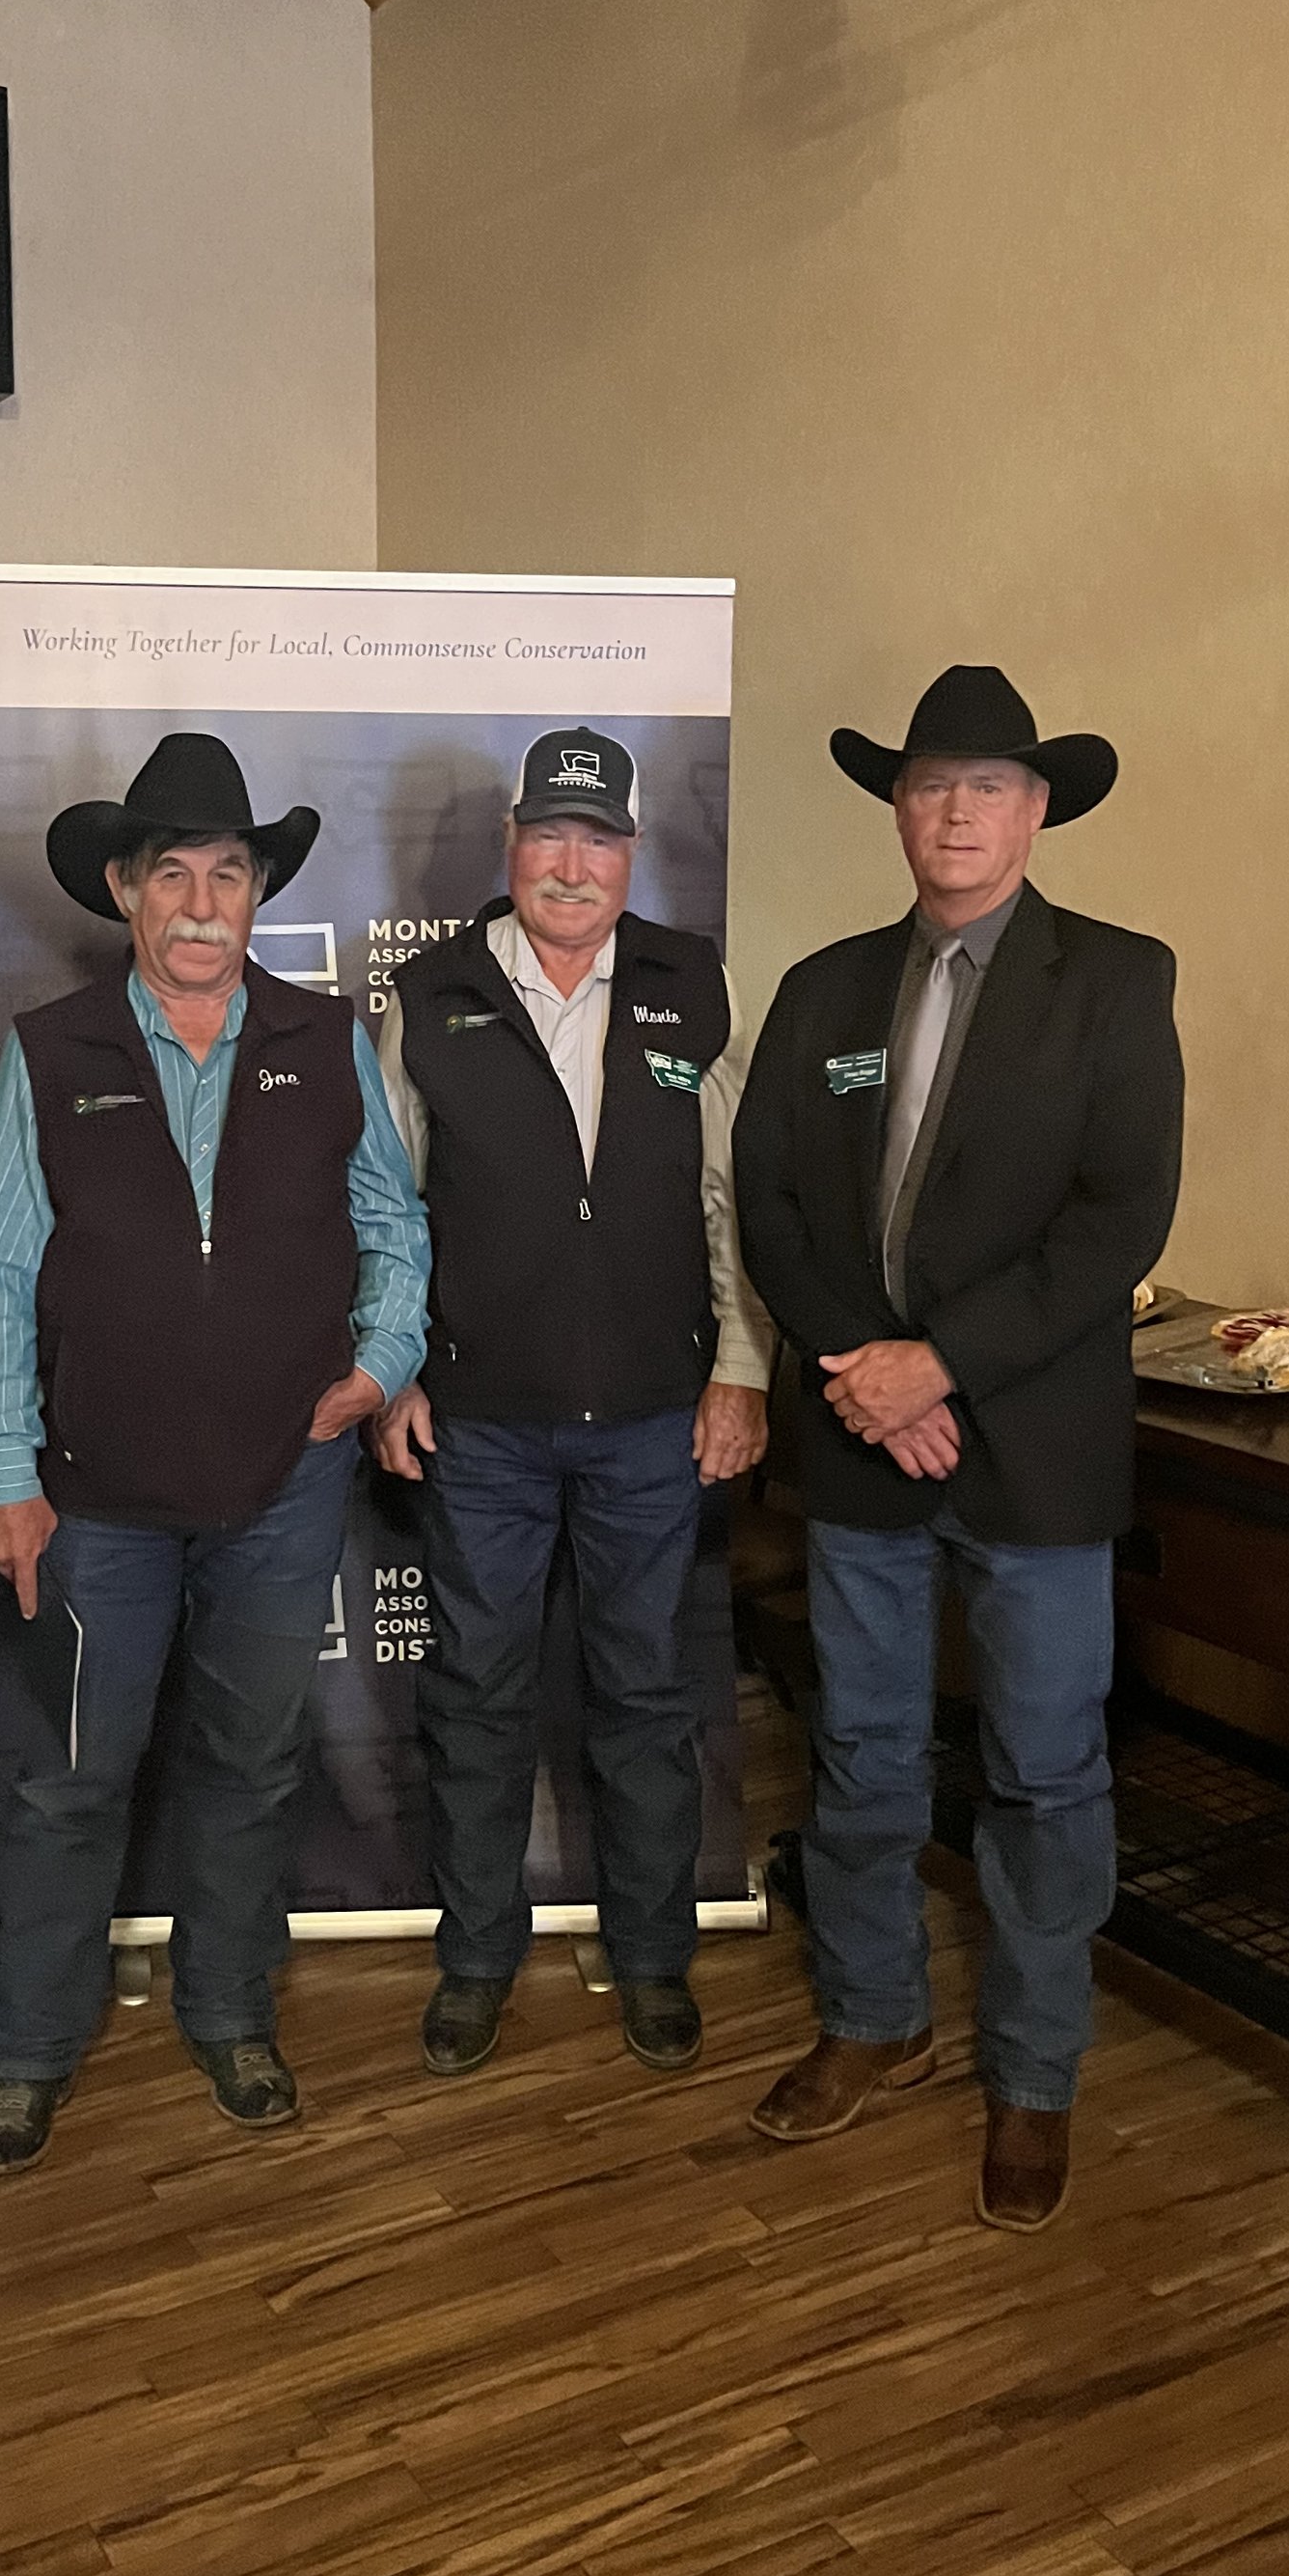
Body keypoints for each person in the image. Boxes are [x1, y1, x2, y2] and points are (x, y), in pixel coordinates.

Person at [733, 666, 1182, 2230]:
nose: (956, 813)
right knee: (857, 1751)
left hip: (1038, 1451)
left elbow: (1120, 1216)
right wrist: (867, 1371)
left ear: (1038, 809)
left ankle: (1033, 2073)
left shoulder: (1118, 982)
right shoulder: (823, 991)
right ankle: (873, 2016)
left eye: (988, 786)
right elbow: (770, 1199)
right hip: (864, 1440)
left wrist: (945, 1362)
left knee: (1045, 1772)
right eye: (930, 785)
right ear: (899, 809)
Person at [0, 733, 430, 2171]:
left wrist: (376, 1365)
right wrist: (0, 1464)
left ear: (258, 890)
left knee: (249, 1762)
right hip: (93, 1497)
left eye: (231, 871)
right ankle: (29, 2047)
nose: (206, 901)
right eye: (176, 874)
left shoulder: (329, 1039)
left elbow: (396, 1227)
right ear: (126, 890)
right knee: (71, 1778)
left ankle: (227, 2008)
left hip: (284, 1485)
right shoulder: (52, 1050)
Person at [371, 729, 773, 2078]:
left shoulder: (691, 985)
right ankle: (476, 1957)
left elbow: (729, 1199)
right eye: (549, 834)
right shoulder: (428, 997)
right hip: (479, 1424)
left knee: (647, 1700)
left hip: (656, 1421)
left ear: (631, 853)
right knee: (476, 1702)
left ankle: (653, 1957)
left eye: (599, 839)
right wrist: (396, 1368)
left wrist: (742, 1365)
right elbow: (386, 1217)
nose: (572, 863)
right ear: (511, 846)